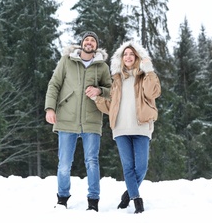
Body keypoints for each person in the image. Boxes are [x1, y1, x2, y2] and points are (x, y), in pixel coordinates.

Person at [44, 31, 112, 212]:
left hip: (91, 119)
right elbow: (54, 84)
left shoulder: (102, 67)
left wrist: (99, 91)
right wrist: (50, 108)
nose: (89, 42)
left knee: (92, 161)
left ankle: (93, 201)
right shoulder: (67, 61)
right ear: (81, 43)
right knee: (64, 163)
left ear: (96, 46)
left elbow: (111, 90)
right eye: (86, 40)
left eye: (93, 41)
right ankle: (62, 199)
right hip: (66, 117)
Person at [93, 41, 161, 214]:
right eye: (125, 54)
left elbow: (152, 93)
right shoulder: (115, 80)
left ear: (137, 57)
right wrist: (96, 98)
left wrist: (149, 70)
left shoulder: (144, 76)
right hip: (121, 128)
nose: (128, 57)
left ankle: (128, 194)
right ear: (121, 59)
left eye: (131, 54)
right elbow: (111, 106)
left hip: (141, 126)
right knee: (128, 167)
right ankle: (136, 199)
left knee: (142, 167)